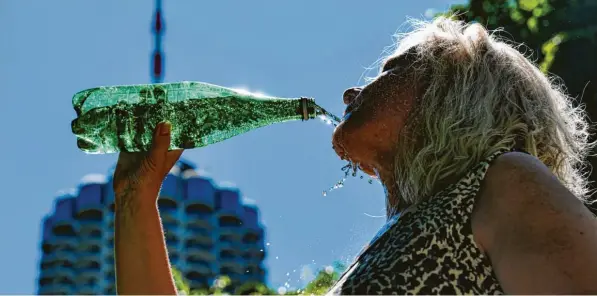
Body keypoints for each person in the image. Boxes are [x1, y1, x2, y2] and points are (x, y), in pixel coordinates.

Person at [112, 17, 597, 295]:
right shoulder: (397, 240)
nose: (350, 91)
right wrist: (136, 197)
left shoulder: (508, 183)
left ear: (451, 89)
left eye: (391, 70)